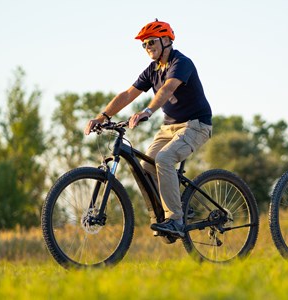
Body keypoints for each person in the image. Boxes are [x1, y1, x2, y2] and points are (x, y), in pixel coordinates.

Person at [84, 19, 213, 240]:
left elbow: (166, 89)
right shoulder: (152, 70)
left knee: (164, 158)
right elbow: (127, 94)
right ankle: (167, 213)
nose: (147, 48)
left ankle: (176, 219)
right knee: (146, 165)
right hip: (169, 128)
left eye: (151, 42)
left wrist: (147, 111)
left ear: (166, 40)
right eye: (144, 45)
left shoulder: (181, 63)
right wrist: (102, 116)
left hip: (196, 125)